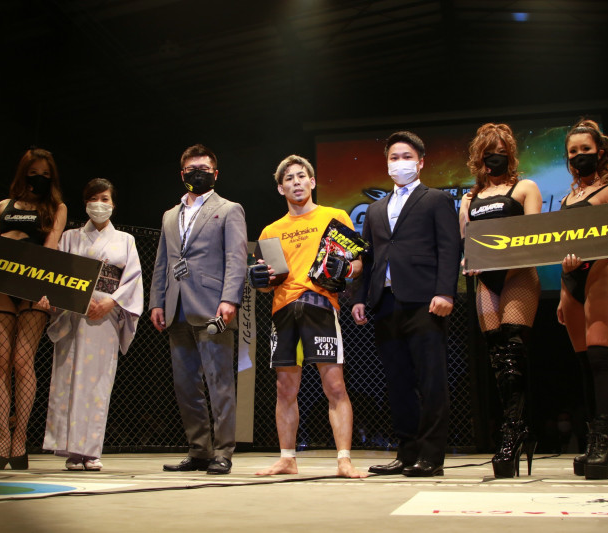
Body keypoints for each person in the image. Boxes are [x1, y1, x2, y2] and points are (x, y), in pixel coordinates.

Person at [248, 155, 367, 479]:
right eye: (289, 178)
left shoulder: (334, 216)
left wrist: (347, 269)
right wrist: (258, 280)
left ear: (312, 181)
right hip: (284, 309)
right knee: (285, 389)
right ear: (280, 188)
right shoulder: (271, 230)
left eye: (301, 176)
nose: (296, 182)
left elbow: (357, 264)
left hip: (320, 305)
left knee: (335, 386)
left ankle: (344, 460)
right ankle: (287, 458)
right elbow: (268, 282)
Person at [351, 131, 461, 477]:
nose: (400, 163)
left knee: (431, 381)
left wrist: (445, 292)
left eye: (407, 157)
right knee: (397, 382)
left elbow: (449, 248)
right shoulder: (375, 209)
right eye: (394, 158)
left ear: (421, 162)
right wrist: (359, 298)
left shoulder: (436, 199)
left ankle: (431, 456)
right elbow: (368, 257)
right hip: (385, 303)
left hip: (425, 301)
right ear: (387, 164)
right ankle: (406, 452)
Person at [150, 144, 247, 475]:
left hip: (213, 308)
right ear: (182, 174)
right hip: (176, 307)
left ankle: (223, 451)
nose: (198, 173)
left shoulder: (229, 209)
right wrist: (157, 301)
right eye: (192, 169)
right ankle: (199, 450)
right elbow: (162, 262)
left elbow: (236, 258)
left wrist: (230, 299)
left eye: (204, 169)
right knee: (185, 384)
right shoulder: (169, 215)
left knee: (219, 381)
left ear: (215, 173)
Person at [458, 123, 542, 478]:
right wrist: (469, 261)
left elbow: (536, 235)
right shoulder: (469, 199)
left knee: (514, 352)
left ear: (510, 154)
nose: (495, 157)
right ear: (479, 157)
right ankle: (514, 429)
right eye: (489, 152)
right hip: (486, 280)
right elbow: (467, 244)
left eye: (501, 151)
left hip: (518, 273)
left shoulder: (525, 188)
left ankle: (514, 433)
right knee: (497, 357)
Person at [43, 179, 143, 471]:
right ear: (86, 203)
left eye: (105, 198)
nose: (99, 204)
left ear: (113, 204)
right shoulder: (69, 237)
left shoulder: (125, 240)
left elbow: (132, 279)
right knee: (68, 379)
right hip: (73, 314)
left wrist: (111, 302)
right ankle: (72, 451)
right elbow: (57, 273)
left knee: (98, 383)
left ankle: (91, 450)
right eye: (94, 198)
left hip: (106, 316)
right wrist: (74, 300)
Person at [0, 147, 67, 470]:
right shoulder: (3, 206)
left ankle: (20, 440)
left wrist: (47, 290)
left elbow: (51, 248)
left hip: (34, 288)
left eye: (46, 174)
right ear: (24, 173)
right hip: (1, 286)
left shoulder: (56, 208)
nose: (39, 179)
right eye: (34, 173)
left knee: (22, 362)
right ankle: (2, 440)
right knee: (1, 363)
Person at [556, 119, 608, 480]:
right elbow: (562, 247)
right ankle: (590, 441)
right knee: (584, 363)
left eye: (585, 149)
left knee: (600, 358)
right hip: (571, 283)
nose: (579, 155)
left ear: (599, 152)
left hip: (600, 274)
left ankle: (605, 442)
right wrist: (562, 293)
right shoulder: (566, 199)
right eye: (573, 151)